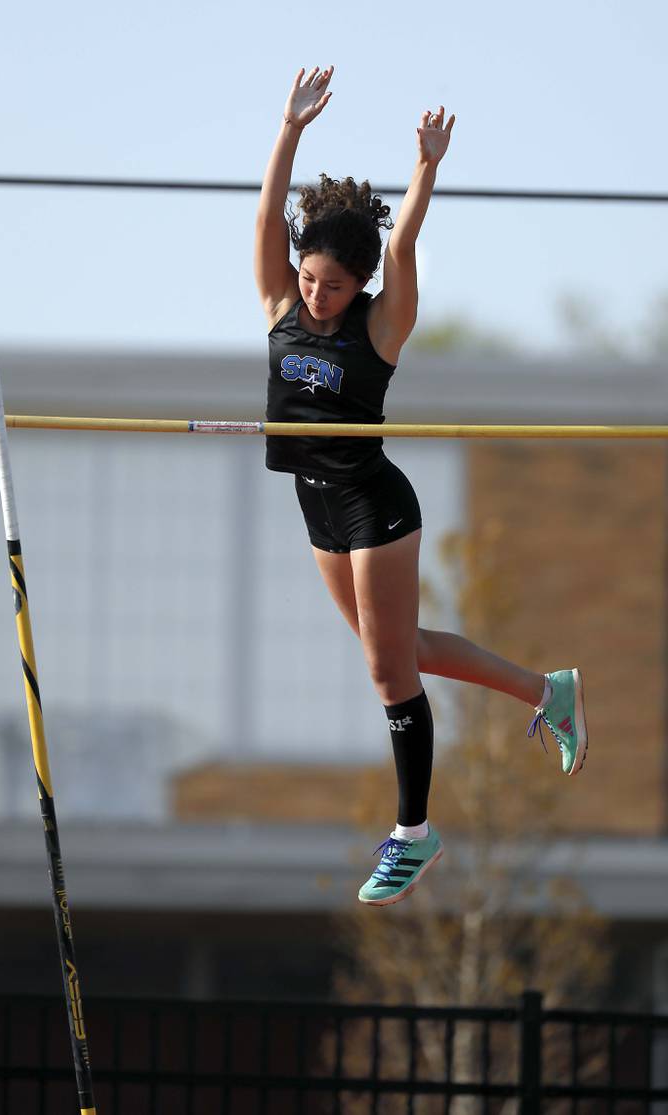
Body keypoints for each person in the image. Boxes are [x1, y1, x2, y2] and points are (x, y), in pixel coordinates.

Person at [253, 65, 587, 907]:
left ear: (358, 285)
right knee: (406, 652)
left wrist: (425, 170)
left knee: (386, 669)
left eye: (332, 284)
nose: (315, 294)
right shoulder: (278, 303)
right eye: (308, 277)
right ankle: (551, 691)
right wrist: (290, 129)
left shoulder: (379, 327)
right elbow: (266, 217)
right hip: (316, 502)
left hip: (374, 504)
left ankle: (414, 835)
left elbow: (398, 247)